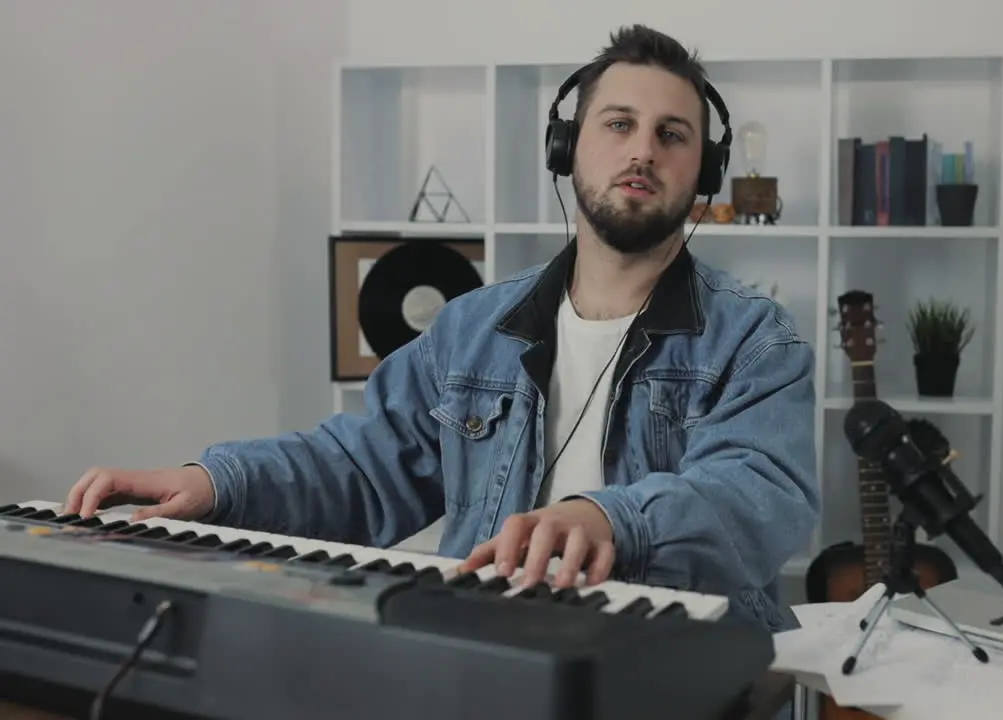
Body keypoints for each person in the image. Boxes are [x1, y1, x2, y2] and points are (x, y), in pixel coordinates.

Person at [62, 24, 820, 636]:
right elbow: (360, 468)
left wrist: (608, 518)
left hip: (678, 665)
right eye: (619, 123)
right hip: (492, 649)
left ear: (705, 169)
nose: (642, 151)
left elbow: (759, 495)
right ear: (568, 147)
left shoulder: (756, 339)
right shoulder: (469, 330)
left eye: (672, 134)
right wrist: (215, 482)